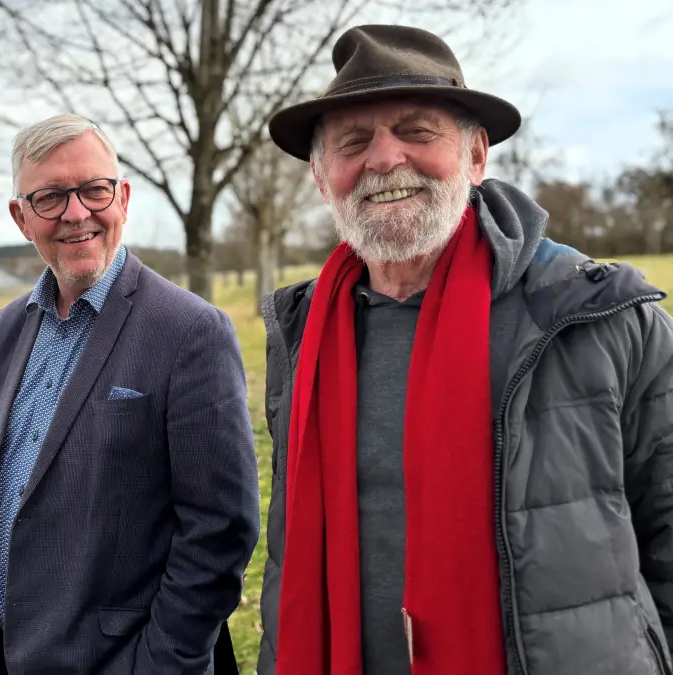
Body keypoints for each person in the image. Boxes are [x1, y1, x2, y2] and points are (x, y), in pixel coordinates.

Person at [257, 23, 673, 675]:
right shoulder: (299, 332)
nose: (385, 159)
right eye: (353, 142)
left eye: (417, 132)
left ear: (476, 155)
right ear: (320, 176)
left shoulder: (597, 315)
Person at [0, 113, 261, 675]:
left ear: (123, 197)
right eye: (51, 197)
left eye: (93, 189)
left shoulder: (189, 331)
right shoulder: (3, 331)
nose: (76, 212)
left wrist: (160, 664)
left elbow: (220, 532)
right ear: (21, 216)